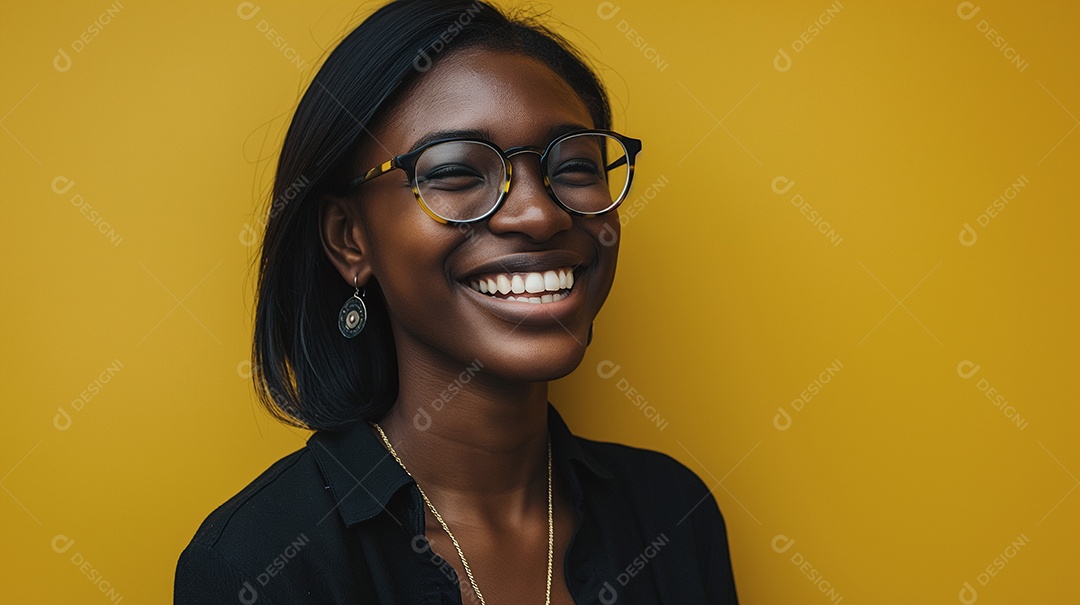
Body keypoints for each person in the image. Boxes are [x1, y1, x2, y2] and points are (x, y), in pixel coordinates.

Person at [174, 1, 738, 603]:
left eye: (574, 165)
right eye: (456, 173)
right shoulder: (259, 564)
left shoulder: (672, 514)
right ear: (349, 238)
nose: (539, 214)